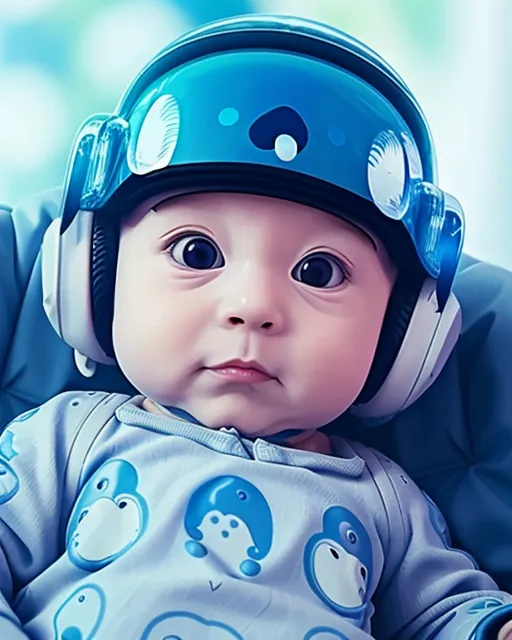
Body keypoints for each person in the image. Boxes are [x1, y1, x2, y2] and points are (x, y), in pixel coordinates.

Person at [1, 14, 512, 640]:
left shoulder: (384, 500)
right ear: (90, 281)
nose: (253, 306)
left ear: (406, 338)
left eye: (319, 271)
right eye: (196, 253)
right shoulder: (64, 440)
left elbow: (447, 613)